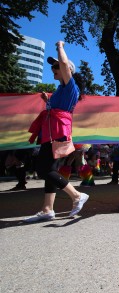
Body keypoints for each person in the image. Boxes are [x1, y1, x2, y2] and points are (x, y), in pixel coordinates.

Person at [24, 41, 89, 222]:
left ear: (67, 70)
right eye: (53, 66)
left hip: (57, 132)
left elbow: (60, 113)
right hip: (50, 132)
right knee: (49, 170)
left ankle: (76, 195)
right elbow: (56, 110)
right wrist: (47, 100)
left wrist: (60, 47)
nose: (54, 69)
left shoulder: (70, 87)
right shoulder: (60, 89)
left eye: (57, 66)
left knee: (43, 170)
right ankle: (47, 209)